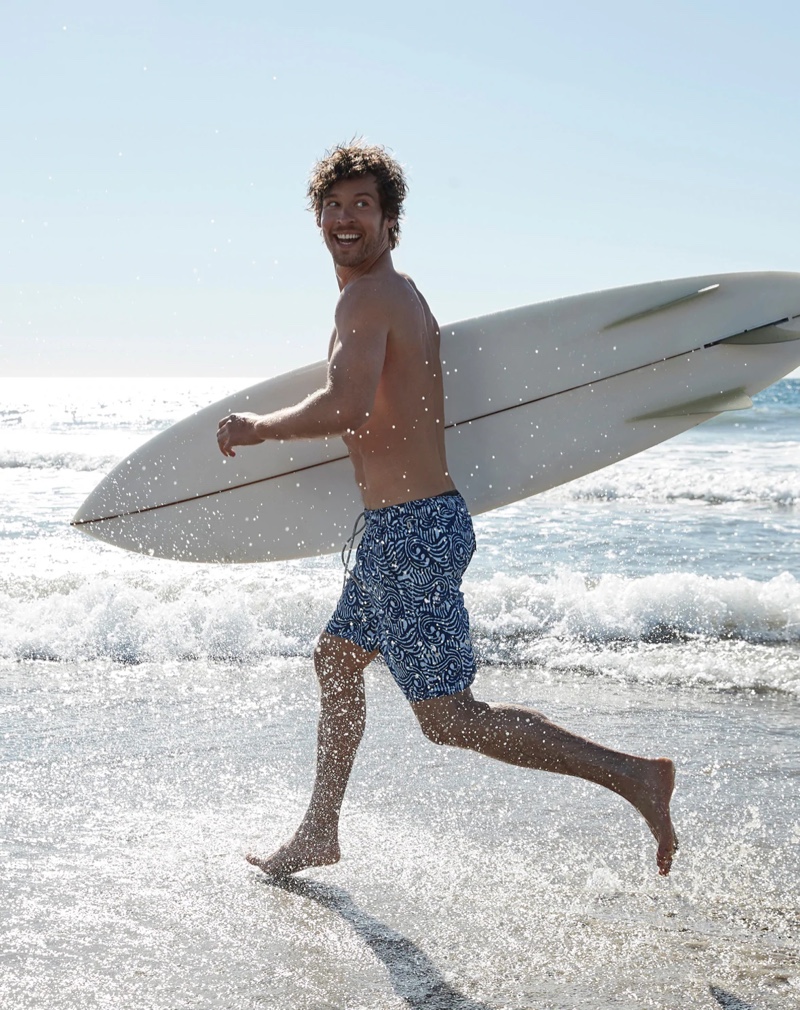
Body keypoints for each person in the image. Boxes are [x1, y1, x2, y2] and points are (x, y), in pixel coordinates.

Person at [216, 142, 678, 877]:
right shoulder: (390, 295)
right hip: (399, 531)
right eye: (333, 206)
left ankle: (634, 777)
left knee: (450, 718)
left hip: (412, 533)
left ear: (389, 221)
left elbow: (347, 403)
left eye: (361, 205)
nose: (344, 218)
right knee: (337, 660)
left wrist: (259, 427)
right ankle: (319, 831)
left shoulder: (368, 297)